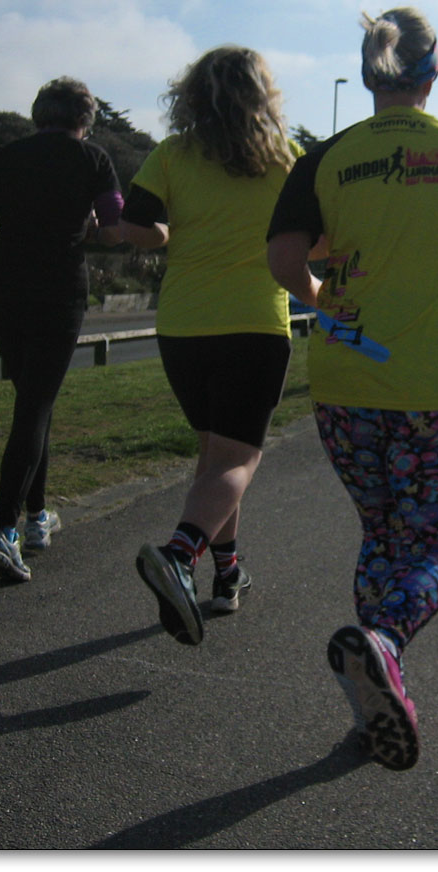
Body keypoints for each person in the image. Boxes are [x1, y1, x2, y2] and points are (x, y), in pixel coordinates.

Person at [266, 6, 438, 771]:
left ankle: (377, 686)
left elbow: (284, 262)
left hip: (348, 377)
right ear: (434, 71)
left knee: (382, 532)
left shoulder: (327, 156)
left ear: (371, 69)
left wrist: (327, 303)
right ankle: (385, 642)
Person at [120, 46, 302, 645]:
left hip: (182, 326)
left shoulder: (172, 154)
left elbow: (139, 223)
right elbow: (318, 242)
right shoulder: (285, 162)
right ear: (263, 95)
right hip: (252, 323)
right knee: (238, 460)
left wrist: (169, 229)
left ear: (193, 93)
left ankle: (228, 578)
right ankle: (179, 555)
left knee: (215, 458)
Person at [0, 77, 123, 582]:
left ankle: (37, 519)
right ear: (85, 118)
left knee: (34, 402)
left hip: (6, 290)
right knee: (34, 404)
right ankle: (3, 530)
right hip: (59, 292)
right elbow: (113, 220)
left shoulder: (8, 155)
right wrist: (92, 228)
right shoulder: (93, 160)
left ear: (40, 112)